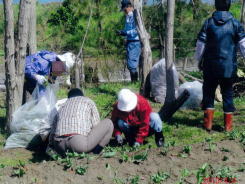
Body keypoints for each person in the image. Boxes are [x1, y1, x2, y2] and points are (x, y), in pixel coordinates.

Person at [195, 0, 245, 132]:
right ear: (229, 6)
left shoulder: (208, 23)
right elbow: (243, 45)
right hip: (228, 67)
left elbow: (200, 45)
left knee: (209, 94)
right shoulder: (235, 24)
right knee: (228, 94)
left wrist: (198, 61)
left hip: (210, 66)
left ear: (216, 5)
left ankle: (208, 125)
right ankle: (228, 127)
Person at [48, 88, 114, 156]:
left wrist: (51, 147)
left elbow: (52, 132)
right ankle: (95, 152)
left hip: (59, 146)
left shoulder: (61, 106)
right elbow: (96, 125)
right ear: (82, 96)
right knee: (109, 123)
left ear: (68, 97)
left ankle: (65, 154)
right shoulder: (88, 102)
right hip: (79, 144)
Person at [117, 0, 141, 82]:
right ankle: (134, 81)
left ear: (129, 7)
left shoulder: (134, 16)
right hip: (130, 41)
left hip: (135, 42)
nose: (124, 11)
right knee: (130, 64)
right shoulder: (128, 16)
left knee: (132, 64)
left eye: (124, 9)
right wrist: (123, 33)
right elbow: (128, 29)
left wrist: (126, 32)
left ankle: (134, 82)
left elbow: (136, 30)